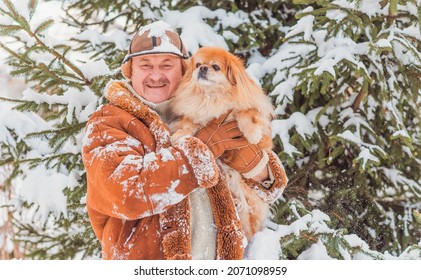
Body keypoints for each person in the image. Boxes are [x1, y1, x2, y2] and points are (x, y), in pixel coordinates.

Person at [82, 21, 288, 260]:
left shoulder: (207, 110)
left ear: (183, 70)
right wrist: (202, 151)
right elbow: (124, 193)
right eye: (145, 65)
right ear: (130, 71)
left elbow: (266, 190)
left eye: (166, 65)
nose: (156, 75)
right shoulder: (108, 122)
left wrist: (257, 168)